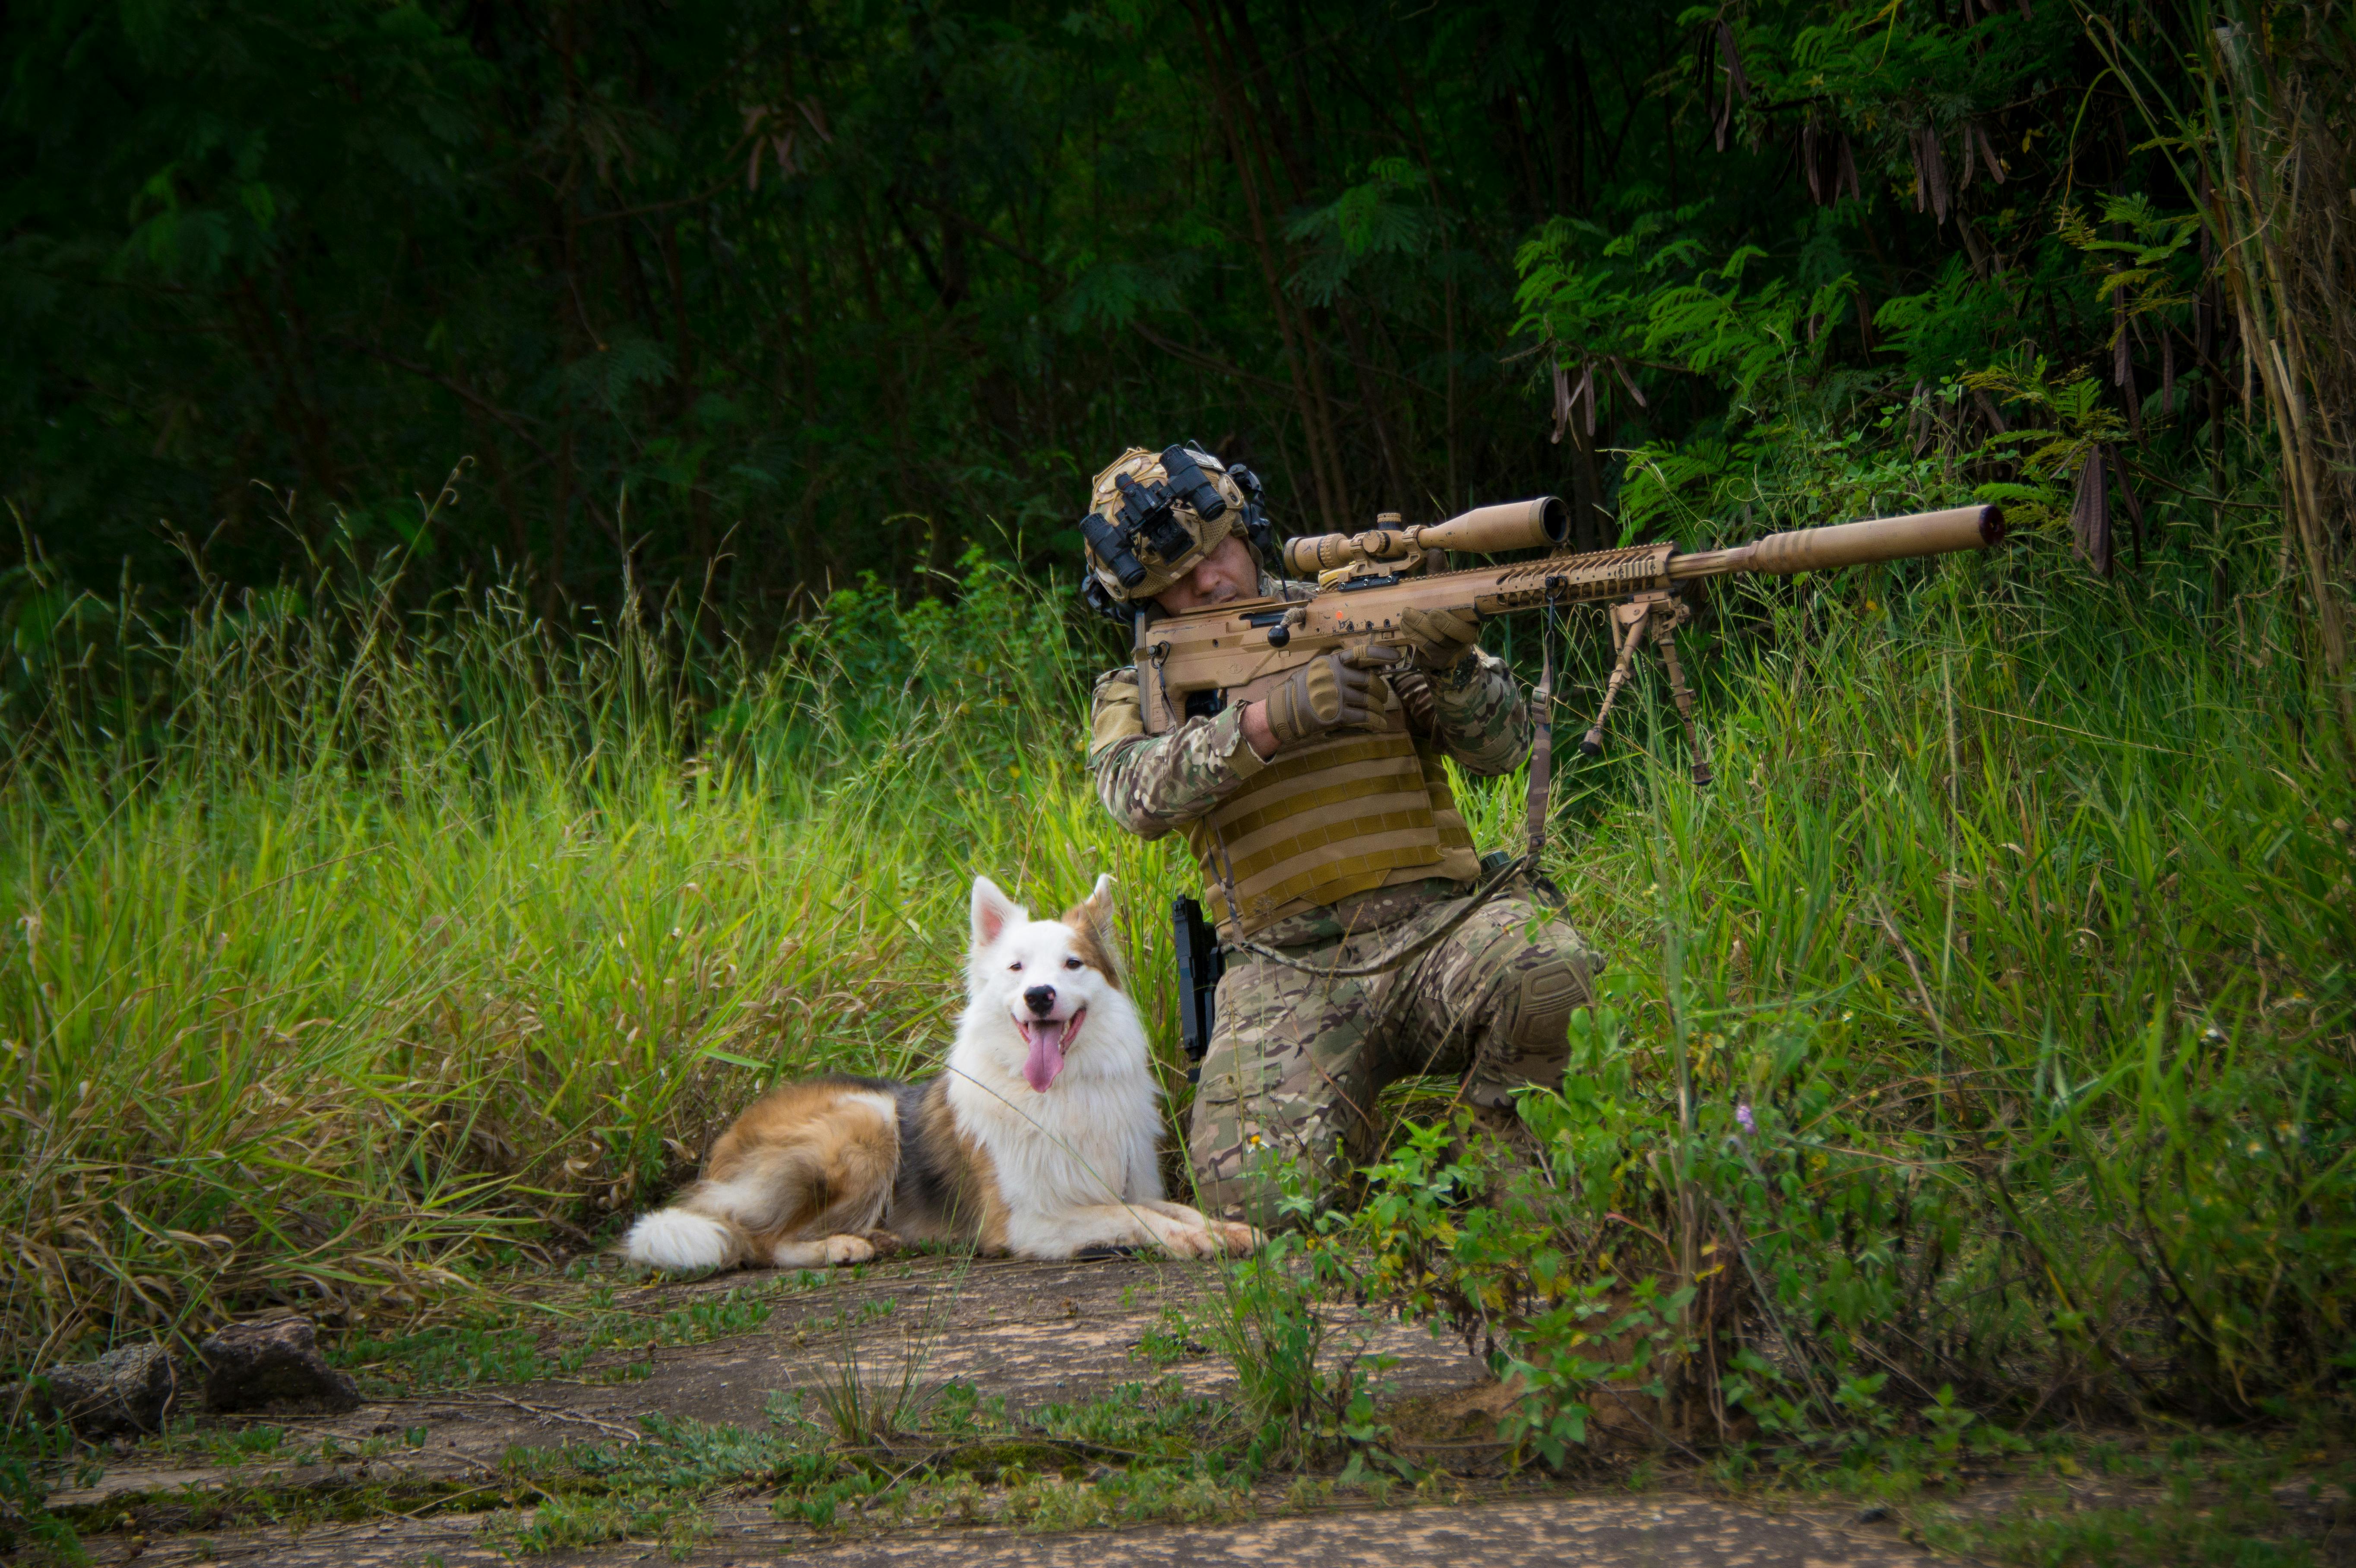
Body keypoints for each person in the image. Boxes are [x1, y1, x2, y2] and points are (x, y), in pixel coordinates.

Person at [1080, 444, 1600, 1228]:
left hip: (1440, 927)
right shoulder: (1145, 682)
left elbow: (1504, 752)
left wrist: (1451, 665)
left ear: (1246, 530)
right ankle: (1379, 1154)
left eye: (1218, 550)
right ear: (1143, 604)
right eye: (1175, 581)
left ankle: (1490, 1167)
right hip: (1284, 965)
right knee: (1252, 1201)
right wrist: (1271, 719)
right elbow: (1133, 796)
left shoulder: (1365, 608)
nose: (1209, 579)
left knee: (1553, 976)